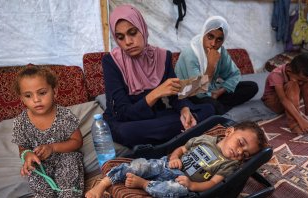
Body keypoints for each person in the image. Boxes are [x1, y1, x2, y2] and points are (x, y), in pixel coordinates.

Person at [102, 5, 214, 148]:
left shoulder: (162, 56)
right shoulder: (111, 62)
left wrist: (184, 109)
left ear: (142, 28)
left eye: (132, 32)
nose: (128, 42)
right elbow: (123, 113)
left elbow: (176, 95)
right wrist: (156, 93)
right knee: (125, 132)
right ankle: (185, 130)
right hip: (126, 121)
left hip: (154, 117)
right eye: (120, 37)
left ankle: (186, 125)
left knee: (208, 109)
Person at [85, 121, 269, 198]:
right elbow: (182, 147)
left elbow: (213, 183)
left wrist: (192, 185)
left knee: (174, 191)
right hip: (167, 165)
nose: (239, 152)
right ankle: (102, 184)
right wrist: (174, 157)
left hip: (183, 182)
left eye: (245, 154)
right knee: (140, 164)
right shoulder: (207, 139)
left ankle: (144, 185)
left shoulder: (230, 165)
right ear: (229, 132)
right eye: (241, 143)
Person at [11, 66, 84, 197]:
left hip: (64, 156)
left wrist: (52, 147)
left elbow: (78, 142)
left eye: (42, 93)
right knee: (32, 171)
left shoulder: (64, 116)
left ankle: (68, 194)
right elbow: (22, 148)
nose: (36, 100)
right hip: (41, 162)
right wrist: (27, 155)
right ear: (21, 98)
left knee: (71, 161)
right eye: (28, 95)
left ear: (54, 91)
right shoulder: (20, 122)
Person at [175, 16, 258, 115]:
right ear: (204, 34)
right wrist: (211, 65)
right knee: (213, 106)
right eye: (210, 37)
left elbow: (234, 74)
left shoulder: (220, 52)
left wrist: (219, 92)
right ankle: (213, 107)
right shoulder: (190, 54)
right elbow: (197, 90)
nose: (213, 44)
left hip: (212, 90)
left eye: (219, 40)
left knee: (251, 87)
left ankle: (213, 106)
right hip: (189, 93)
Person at [262, 53, 308, 134]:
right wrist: (301, 120)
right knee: (292, 85)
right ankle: (294, 124)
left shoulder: (301, 74)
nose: (301, 83)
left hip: (291, 100)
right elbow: (283, 100)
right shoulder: (276, 75)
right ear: (289, 71)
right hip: (274, 102)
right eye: (299, 80)